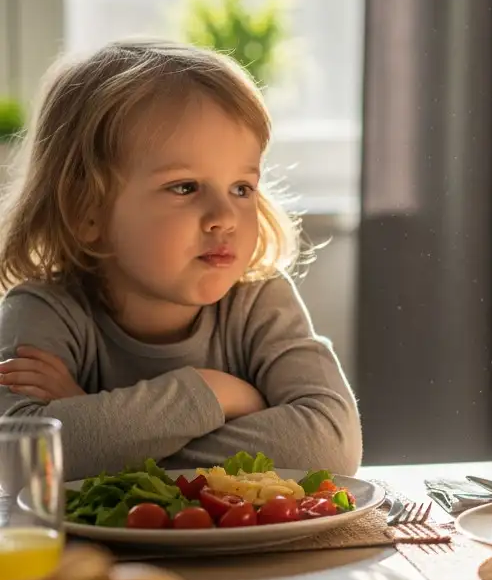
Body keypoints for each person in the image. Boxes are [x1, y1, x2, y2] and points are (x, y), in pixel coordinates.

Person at [0, 38, 362, 480]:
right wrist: (218, 393)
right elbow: (18, 460)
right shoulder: (45, 310)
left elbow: (329, 442)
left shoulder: (259, 300)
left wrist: (92, 432)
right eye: (185, 187)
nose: (225, 217)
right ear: (86, 211)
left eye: (241, 188)